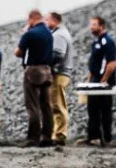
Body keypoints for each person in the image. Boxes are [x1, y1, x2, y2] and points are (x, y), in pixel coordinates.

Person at [14, 10, 55, 147]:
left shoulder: (30, 34)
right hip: (46, 69)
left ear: (31, 19)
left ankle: (33, 138)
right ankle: (47, 136)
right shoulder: (49, 33)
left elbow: (18, 52)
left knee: (32, 105)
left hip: (32, 70)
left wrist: (25, 32)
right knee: (46, 105)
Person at [83, 15, 116, 145]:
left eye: (93, 25)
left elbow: (112, 64)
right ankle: (93, 137)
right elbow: (94, 65)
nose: (91, 27)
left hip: (103, 82)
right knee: (92, 109)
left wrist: (104, 81)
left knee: (104, 110)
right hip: (95, 81)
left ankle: (106, 138)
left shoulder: (107, 42)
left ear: (101, 26)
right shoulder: (96, 43)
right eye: (90, 25)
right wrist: (89, 81)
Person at [46, 12, 74, 146]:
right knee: (57, 104)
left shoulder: (59, 35)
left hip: (59, 73)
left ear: (54, 20)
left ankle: (59, 135)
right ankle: (57, 133)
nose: (45, 22)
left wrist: (46, 62)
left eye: (47, 19)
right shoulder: (60, 33)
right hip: (62, 73)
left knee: (57, 104)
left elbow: (58, 53)